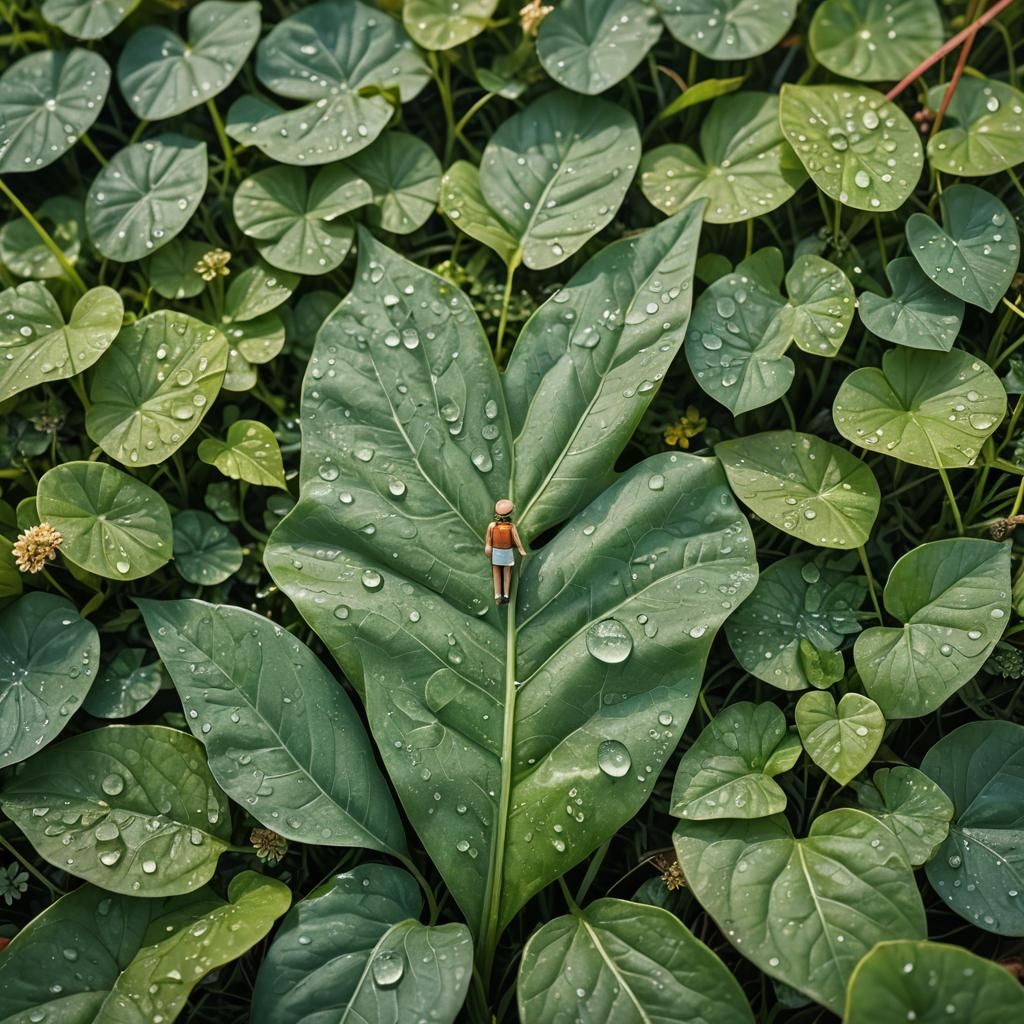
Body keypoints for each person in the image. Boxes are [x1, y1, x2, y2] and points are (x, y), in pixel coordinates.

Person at [484, 499, 526, 604]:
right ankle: (506, 594)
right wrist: (521, 549)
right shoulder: (511, 526)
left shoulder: (492, 526)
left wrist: (488, 548)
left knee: (496, 572)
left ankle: (498, 595)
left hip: (497, 551)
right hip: (506, 551)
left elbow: (488, 540)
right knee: (507, 572)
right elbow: (516, 538)